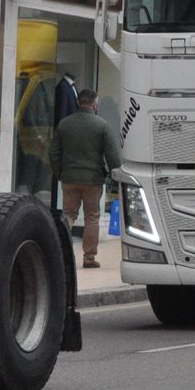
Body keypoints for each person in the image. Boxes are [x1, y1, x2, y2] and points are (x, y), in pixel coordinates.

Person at [49, 88, 122, 269]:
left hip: (69, 179)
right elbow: (112, 155)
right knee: (92, 217)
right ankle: (89, 258)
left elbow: (53, 153)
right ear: (95, 104)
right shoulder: (102, 125)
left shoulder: (64, 124)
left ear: (77, 103)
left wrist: (60, 173)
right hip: (93, 180)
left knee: (68, 216)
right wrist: (116, 175)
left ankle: (61, 257)